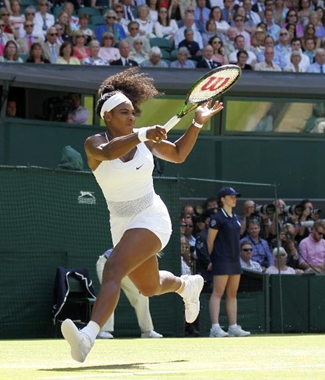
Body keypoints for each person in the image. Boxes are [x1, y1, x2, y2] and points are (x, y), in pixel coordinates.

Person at [61, 68, 223, 362]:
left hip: (151, 217)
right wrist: (142, 134)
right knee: (149, 287)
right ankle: (187, 285)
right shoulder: (94, 143)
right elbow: (109, 153)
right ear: (107, 117)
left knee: (113, 270)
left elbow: (177, 154)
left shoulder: (144, 138)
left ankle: (86, 337)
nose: (132, 117)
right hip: (120, 223)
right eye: (124, 113)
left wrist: (196, 124)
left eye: (133, 113)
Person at [207, 186, 251, 338]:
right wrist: (214, 258)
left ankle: (233, 326)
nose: (234, 199)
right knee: (218, 293)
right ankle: (215, 327)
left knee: (232, 294)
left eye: (235, 196)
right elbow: (210, 242)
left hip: (234, 260)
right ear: (222, 199)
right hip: (221, 259)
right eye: (231, 196)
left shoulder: (237, 219)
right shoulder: (217, 218)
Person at [95, 248, 163, 339]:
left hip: (126, 269)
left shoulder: (148, 253)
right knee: (110, 294)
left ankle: (147, 331)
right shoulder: (138, 244)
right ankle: (104, 330)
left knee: (141, 296)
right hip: (107, 264)